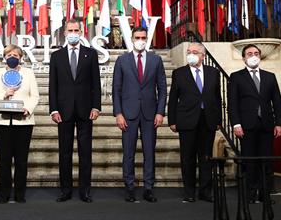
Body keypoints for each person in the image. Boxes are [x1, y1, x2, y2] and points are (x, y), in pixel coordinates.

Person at [112, 26, 167, 203]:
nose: (140, 40)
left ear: (147, 39)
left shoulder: (156, 60)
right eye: (137, 37)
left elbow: (163, 89)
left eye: (143, 37)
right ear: (132, 38)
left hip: (150, 114)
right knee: (128, 153)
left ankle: (148, 188)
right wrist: (118, 113)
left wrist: (160, 112)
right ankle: (129, 187)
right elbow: (116, 89)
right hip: (128, 113)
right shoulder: (122, 60)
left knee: (149, 152)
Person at [49, 19, 101, 203]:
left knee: (85, 152)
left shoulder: (91, 54)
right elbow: (52, 86)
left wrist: (96, 106)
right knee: (65, 153)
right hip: (63, 112)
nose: (72, 32)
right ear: (64, 33)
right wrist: (53, 109)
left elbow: (96, 83)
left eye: (75, 30)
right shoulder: (56, 56)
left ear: (81, 32)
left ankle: (84, 191)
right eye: (69, 30)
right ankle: (65, 190)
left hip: (86, 111)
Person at [228, 44, 281, 204]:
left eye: (256, 53)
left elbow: (277, 102)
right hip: (246, 126)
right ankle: (250, 195)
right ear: (244, 57)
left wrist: (279, 123)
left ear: (259, 56)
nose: (253, 56)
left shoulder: (270, 77)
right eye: (249, 53)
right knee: (250, 162)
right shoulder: (236, 76)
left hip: (267, 125)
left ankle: (265, 195)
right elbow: (232, 103)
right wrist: (236, 124)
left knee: (266, 162)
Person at [168, 42, 221, 203]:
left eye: (195, 52)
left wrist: (218, 120)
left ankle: (205, 192)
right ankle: (189, 192)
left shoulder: (213, 72)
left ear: (203, 56)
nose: (191, 54)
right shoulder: (179, 73)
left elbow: (217, 98)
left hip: (208, 121)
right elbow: (173, 100)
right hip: (186, 121)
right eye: (189, 51)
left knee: (206, 158)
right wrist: (172, 120)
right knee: (188, 158)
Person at [0, 45, 39, 204]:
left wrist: (28, 109)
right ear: (4, 57)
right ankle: (4, 194)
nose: (12, 57)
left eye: (15, 54)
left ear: (21, 57)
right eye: (9, 54)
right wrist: (4, 94)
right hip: (1, 122)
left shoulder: (28, 73)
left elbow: (35, 96)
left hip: (23, 122)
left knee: (21, 160)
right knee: (4, 160)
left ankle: (20, 194)